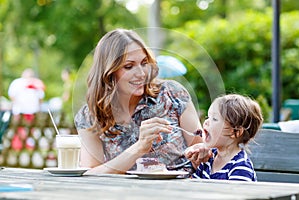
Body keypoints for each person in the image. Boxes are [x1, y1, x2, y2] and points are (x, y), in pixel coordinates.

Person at [74, 28, 203, 174]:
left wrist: (203, 150)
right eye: (129, 66)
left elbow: (202, 152)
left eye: (144, 63)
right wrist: (139, 147)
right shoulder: (90, 115)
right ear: (109, 72)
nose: (141, 74)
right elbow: (90, 175)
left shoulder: (172, 94)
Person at [185, 94, 263, 181]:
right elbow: (193, 187)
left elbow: (236, 194)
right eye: (208, 117)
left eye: (214, 119)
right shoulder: (208, 159)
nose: (206, 122)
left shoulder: (240, 167)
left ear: (236, 132)